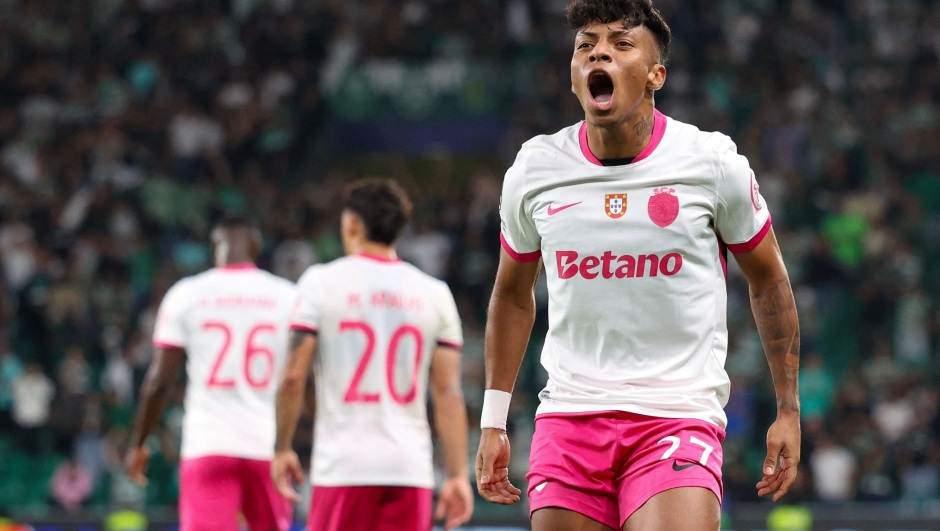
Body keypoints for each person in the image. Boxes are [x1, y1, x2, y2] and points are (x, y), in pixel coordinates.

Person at [474, 1, 802, 531]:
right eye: (586, 46)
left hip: (677, 411)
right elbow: (512, 295)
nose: (599, 50)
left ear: (656, 75)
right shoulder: (535, 169)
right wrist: (493, 420)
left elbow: (768, 278)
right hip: (569, 414)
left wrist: (788, 408)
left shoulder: (711, 162)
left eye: (622, 44)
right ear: (576, 77)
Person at [271, 180, 474, 531]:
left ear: (351, 223)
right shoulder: (435, 293)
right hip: (410, 468)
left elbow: (293, 376)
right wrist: (457, 474)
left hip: (343, 466)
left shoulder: (320, 282)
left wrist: (282, 448)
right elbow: (448, 393)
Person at [126, 215, 296, 531]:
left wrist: (139, 442)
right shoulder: (288, 296)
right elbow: (299, 377)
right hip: (267, 446)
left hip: (207, 444)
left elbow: (159, 381)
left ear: (214, 247)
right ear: (256, 247)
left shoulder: (186, 294)